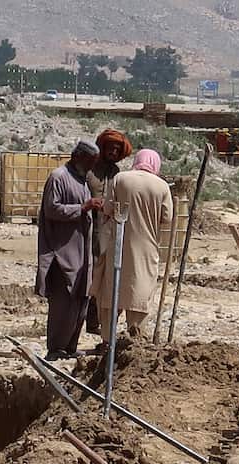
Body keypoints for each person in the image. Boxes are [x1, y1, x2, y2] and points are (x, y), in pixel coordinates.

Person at [91, 149, 173, 343]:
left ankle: (107, 342)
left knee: (112, 293)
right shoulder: (162, 186)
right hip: (147, 249)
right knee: (139, 294)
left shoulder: (120, 179)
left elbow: (109, 209)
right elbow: (167, 218)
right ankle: (136, 340)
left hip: (119, 245)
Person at [36, 140, 101, 361]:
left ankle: (71, 347)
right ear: (79, 157)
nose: (92, 166)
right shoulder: (59, 177)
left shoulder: (81, 179)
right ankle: (56, 347)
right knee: (63, 304)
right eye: (90, 161)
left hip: (83, 253)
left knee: (80, 302)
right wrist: (82, 208)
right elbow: (52, 209)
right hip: (63, 252)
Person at [87, 129, 134, 335]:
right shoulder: (89, 171)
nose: (113, 152)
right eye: (110, 148)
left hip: (106, 230)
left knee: (102, 273)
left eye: (117, 149)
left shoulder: (117, 174)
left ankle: (95, 321)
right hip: (86, 226)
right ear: (103, 148)